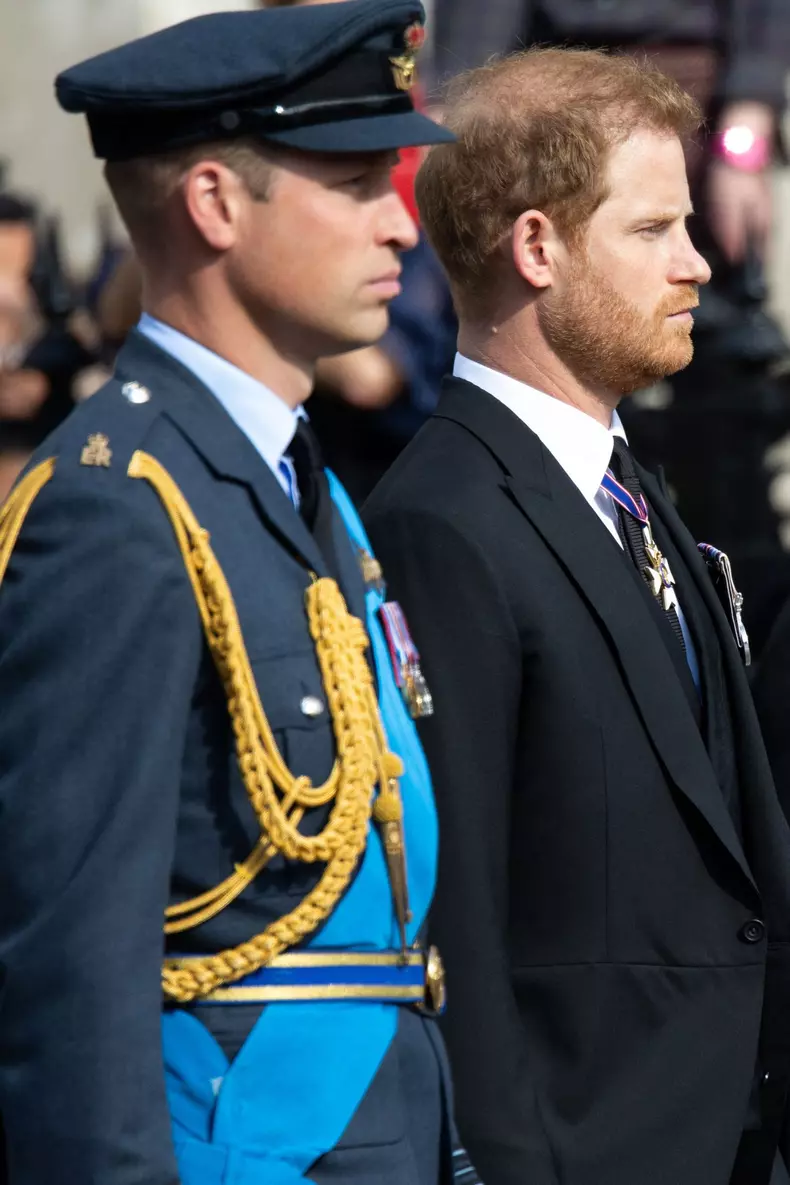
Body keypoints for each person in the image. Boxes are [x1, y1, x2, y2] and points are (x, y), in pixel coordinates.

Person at [0, 4, 471, 1184]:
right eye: (357, 182)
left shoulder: (296, 479)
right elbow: (71, 961)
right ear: (215, 203)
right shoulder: (117, 506)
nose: (400, 225)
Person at [363, 47, 790, 1185]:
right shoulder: (443, 523)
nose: (696, 264)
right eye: (652, 232)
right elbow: (458, 914)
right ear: (537, 245)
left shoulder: (629, 488)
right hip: (584, 1147)